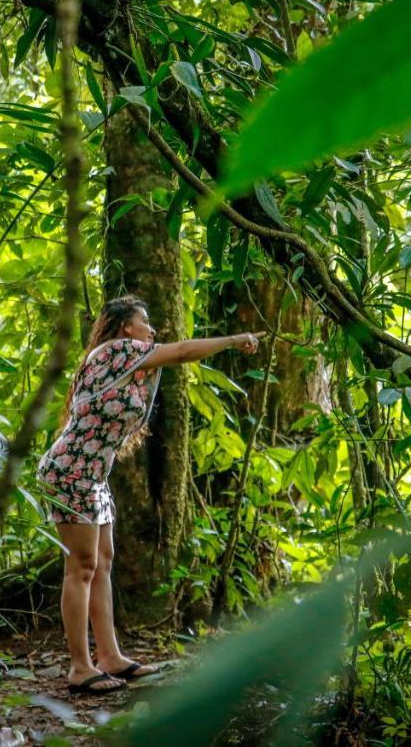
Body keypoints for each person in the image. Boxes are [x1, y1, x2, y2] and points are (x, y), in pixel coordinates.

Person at [36, 294, 264, 695]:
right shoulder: (118, 350)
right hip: (70, 470)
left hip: (93, 474)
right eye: (145, 321)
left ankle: (109, 657)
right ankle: (79, 667)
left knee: (102, 564)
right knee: (82, 567)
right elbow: (182, 352)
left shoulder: (125, 362)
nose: (152, 329)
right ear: (126, 326)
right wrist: (233, 339)